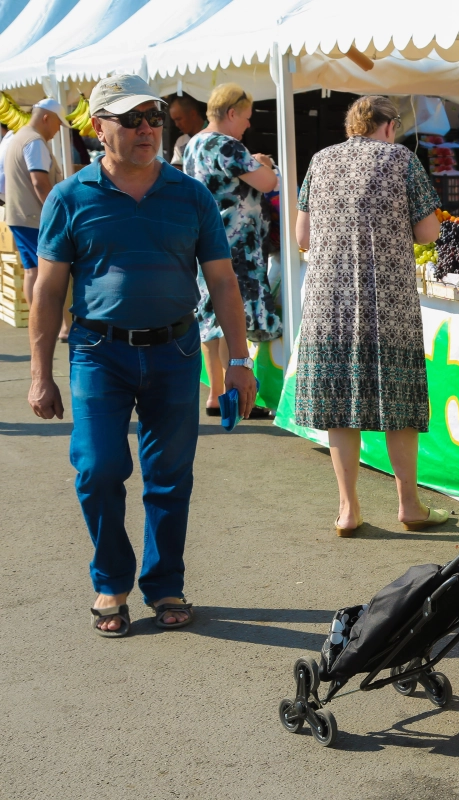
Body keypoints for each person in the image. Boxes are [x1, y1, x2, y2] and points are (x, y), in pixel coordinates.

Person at [25, 74, 257, 637]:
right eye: (130, 120)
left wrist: (240, 361)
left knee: (170, 475)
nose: (146, 128)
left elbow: (223, 283)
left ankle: (164, 583)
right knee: (98, 469)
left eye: (152, 116)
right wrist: (40, 376)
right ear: (99, 127)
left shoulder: (190, 194)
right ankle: (111, 579)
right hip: (99, 352)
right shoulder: (70, 196)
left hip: (176, 350)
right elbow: (49, 290)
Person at [293, 95, 449, 537]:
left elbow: (303, 236)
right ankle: (409, 505)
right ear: (387, 125)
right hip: (387, 298)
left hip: (328, 301)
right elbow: (428, 232)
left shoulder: (320, 160)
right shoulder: (401, 159)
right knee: (398, 402)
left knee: (339, 407)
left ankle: (348, 509)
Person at [183, 83, 281, 417]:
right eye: (247, 117)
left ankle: (215, 394)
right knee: (230, 318)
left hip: (204, 240)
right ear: (231, 113)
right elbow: (268, 183)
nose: (248, 125)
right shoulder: (227, 145)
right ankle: (233, 396)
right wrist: (264, 163)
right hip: (234, 245)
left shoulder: (194, 144)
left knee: (210, 317)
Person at [5, 99, 68, 334]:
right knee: (48, 274)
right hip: (34, 217)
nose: (57, 130)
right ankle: (55, 325)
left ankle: (38, 322)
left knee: (32, 271)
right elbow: (40, 182)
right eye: (57, 123)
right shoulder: (34, 142)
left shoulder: (17, 137)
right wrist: (57, 214)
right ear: (46, 118)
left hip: (18, 215)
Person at [169, 94, 205, 166]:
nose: (177, 124)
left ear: (193, 114)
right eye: (174, 121)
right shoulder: (181, 142)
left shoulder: (215, 135)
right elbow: (176, 170)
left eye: (179, 119)